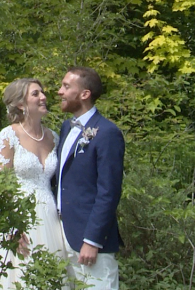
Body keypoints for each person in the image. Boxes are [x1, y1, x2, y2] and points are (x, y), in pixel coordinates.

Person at [0, 78, 66, 289]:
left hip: (51, 218)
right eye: (36, 94)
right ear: (21, 104)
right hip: (19, 217)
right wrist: (13, 227)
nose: (44, 97)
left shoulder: (54, 137)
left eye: (43, 93)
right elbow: (2, 186)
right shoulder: (9, 136)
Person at [55, 66, 124, 289]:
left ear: (84, 94)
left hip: (89, 242)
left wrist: (92, 240)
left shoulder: (107, 133)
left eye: (66, 86)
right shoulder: (66, 127)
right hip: (61, 235)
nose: (59, 92)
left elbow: (109, 192)